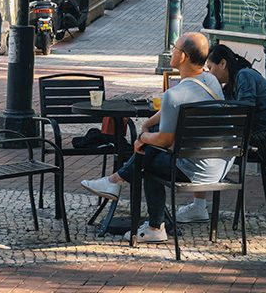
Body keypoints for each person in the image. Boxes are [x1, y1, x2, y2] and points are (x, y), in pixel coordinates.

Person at [80, 32, 229, 244]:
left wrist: (143, 137)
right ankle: (116, 181)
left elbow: (164, 141)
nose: (172, 51)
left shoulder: (175, 95)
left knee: (145, 159)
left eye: (175, 48)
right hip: (219, 165)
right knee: (151, 143)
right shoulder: (210, 80)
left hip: (194, 170)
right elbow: (172, 113)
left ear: (183, 57)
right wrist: (149, 125)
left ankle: (154, 226)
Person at [176, 43, 266, 224]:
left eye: (210, 68)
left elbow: (244, 111)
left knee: (201, 145)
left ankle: (199, 204)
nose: (209, 73)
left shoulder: (244, 76)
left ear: (223, 64)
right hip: (258, 132)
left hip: (265, 137)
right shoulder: (234, 81)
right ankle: (199, 203)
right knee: (202, 141)